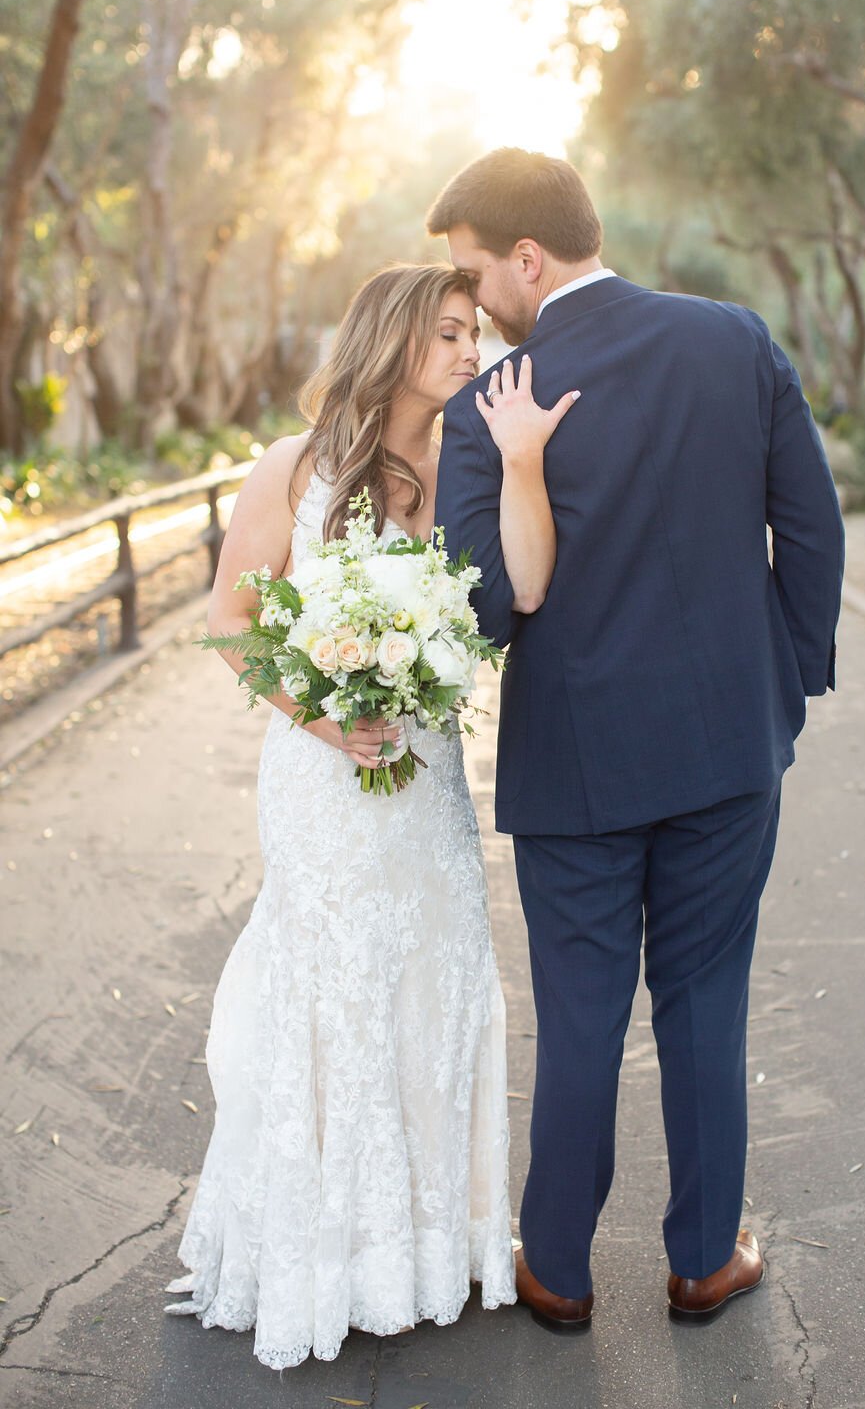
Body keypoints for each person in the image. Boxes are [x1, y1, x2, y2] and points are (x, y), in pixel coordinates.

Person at [428, 148, 845, 1332]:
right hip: (727, 742)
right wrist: (789, 678)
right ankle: (707, 1260)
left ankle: (556, 1268)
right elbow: (809, 530)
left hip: (575, 761)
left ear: (525, 256)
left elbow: (484, 608)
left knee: (579, 1016)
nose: (468, 301)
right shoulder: (734, 342)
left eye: (470, 271)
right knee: (707, 997)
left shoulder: (492, 405)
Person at [165, 262, 577, 1368]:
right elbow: (233, 622)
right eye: (448, 333)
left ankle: (432, 1246)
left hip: (426, 774)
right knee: (336, 985)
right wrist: (323, 716)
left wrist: (525, 467)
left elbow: (514, 597)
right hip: (321, 777)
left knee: (434, 976)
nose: (468, 351)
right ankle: (325, 1253)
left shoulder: (472, 467)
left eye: (474, 332)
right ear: (393, 341)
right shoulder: (294, 469)